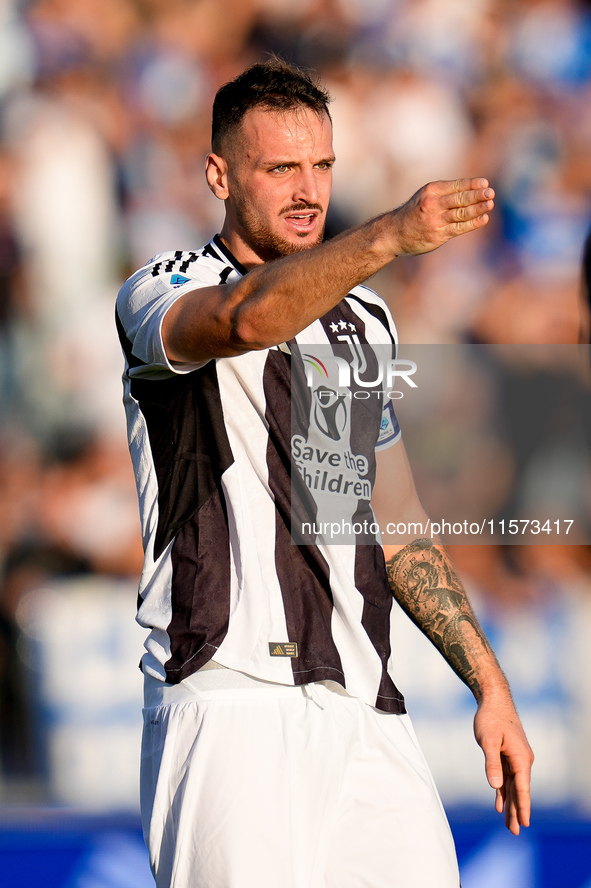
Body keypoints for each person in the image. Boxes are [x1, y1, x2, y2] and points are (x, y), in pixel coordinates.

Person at [116, 58, 533, 888]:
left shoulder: (363, 319)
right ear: (218, 175)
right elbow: (245, 318)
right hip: (231, 700)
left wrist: (490, 684)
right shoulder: (163, 289)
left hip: (364, 710)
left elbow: (394, 521)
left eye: (322, 167)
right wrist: (388, 235)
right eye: (280, 169)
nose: (307, 190)